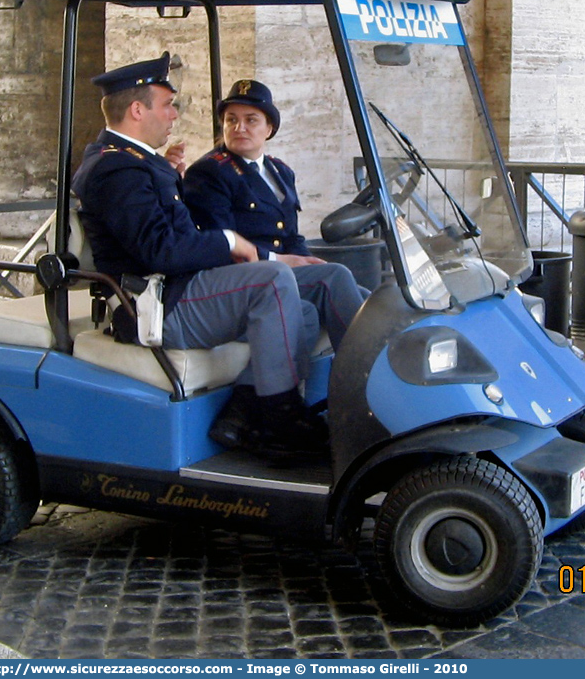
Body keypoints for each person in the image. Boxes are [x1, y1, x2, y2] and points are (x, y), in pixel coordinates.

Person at [71, 53, 328, 461]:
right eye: (167, 104)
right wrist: (229, 241)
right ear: (138, 110)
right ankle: (280, 421)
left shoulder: (137, 163)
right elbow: (160, 249)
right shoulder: (115, 170)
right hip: (156, 305)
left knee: (305, 312)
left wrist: (169, 172)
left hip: (181, 289)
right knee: (273, 280)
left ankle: (244, 413)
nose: (174, 115)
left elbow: (170, 227)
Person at [184, 79, 366, 351]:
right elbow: (220, 242)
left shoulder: (280, 172)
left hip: (279, 271)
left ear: (269, 129)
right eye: (231, 119)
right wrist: (280, 259)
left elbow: (290, 235)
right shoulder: (211, 172)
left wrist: (306, 260)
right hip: (246, 276)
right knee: (336, 278)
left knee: (367, 297)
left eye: (251, 120)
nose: (239, 127)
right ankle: (361, 375)